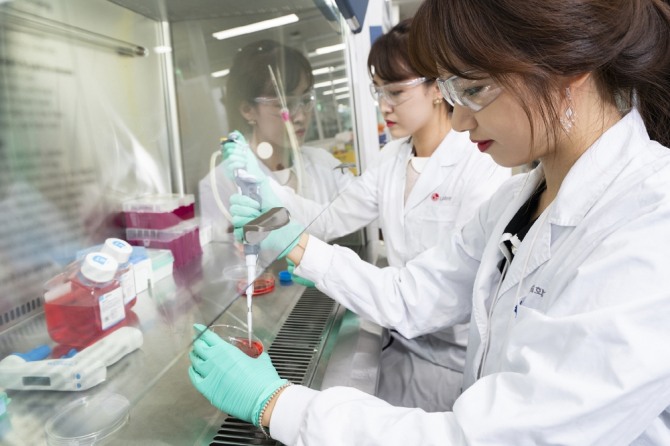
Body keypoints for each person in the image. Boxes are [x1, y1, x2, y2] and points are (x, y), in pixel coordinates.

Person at [189, 0, 670, 444]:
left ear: (568, 65)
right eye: (452, 91)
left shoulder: (652, 222)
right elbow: (412, 295)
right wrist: (297, 244)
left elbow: (494, 438)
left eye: (473, 89)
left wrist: (279, 405)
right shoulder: (517, 201)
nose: (459, 121)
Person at [221, 18, 509, 412]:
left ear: (437, 88)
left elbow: (434, 295)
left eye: (396, 92)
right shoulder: (391, 159)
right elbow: (328, 219)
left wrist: (299, 246)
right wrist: (267, 188)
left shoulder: (480, 163)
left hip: (448, 360)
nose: (384, 106)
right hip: (396, 334)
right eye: (378, 92)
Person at [198, 39, 354, 240]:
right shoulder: (220, 184)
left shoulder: (324, 164)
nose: (300, 116)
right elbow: (221, 254)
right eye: (284, 104)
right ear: (247, 109)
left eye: (305, 100)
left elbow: (362, 209)